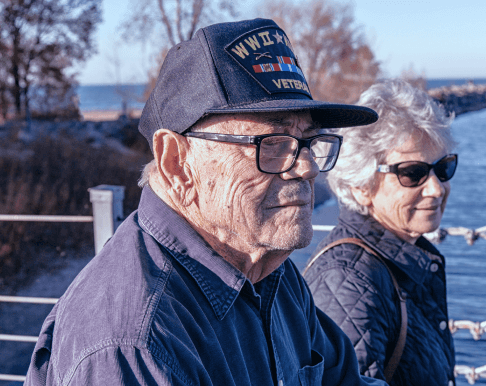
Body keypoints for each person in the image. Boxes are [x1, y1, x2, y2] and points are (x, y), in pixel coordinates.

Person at [24, 19, 387, 386]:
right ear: (176, 163)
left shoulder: (271, 273)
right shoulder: (135, 344)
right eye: (273, 143)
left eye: (309, 141)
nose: (307, 167)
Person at [303, 79, 458, 386]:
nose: (436, 188)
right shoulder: (348, 281)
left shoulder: (402, 260)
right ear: (361, 187)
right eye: (412, 173)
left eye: (443, 168)